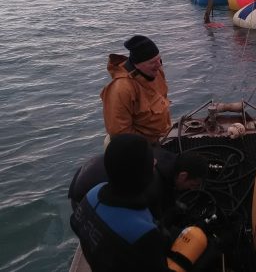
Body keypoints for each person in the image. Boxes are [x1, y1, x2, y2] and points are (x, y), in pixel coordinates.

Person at [70, 133, 172, 272]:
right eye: (150, 161)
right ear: (142, 175)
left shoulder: (92, 194)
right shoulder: (143, 233)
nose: (155, 161)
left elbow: (75, 223)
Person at [68, 147, 209, 218]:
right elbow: (153, 222)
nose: (191, 190)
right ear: (183, 176)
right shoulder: (153, 184)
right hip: (83, 198)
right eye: (192, 185)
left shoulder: (165, 156)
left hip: (85, 173)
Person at [100, 35, 171, 144]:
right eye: (152, 62)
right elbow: (120, 133)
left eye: (159, 59)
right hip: (139, 146)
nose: (159, 65)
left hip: (163, 135)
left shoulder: (156, 72)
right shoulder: (121, 89)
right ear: (137, 65)